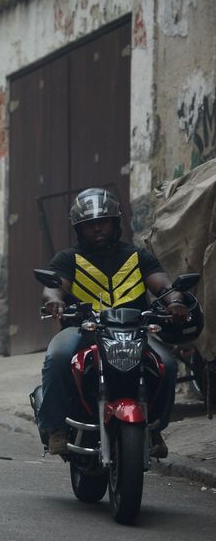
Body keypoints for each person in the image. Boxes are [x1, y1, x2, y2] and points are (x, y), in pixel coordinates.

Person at [38, 187, 190, 458]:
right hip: (82, 329)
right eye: (90, 224)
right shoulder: (68, 259)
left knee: (166, 364)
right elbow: (53, 287)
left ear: (115, 223)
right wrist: (54, 301)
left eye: (103, 222)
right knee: (57, 356)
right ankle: (55, 428)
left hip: (135, 330)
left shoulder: (137, 257)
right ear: (79, 228)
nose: (97, 228)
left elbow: (164, 285)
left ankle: (154, 428)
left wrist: (175, 301)